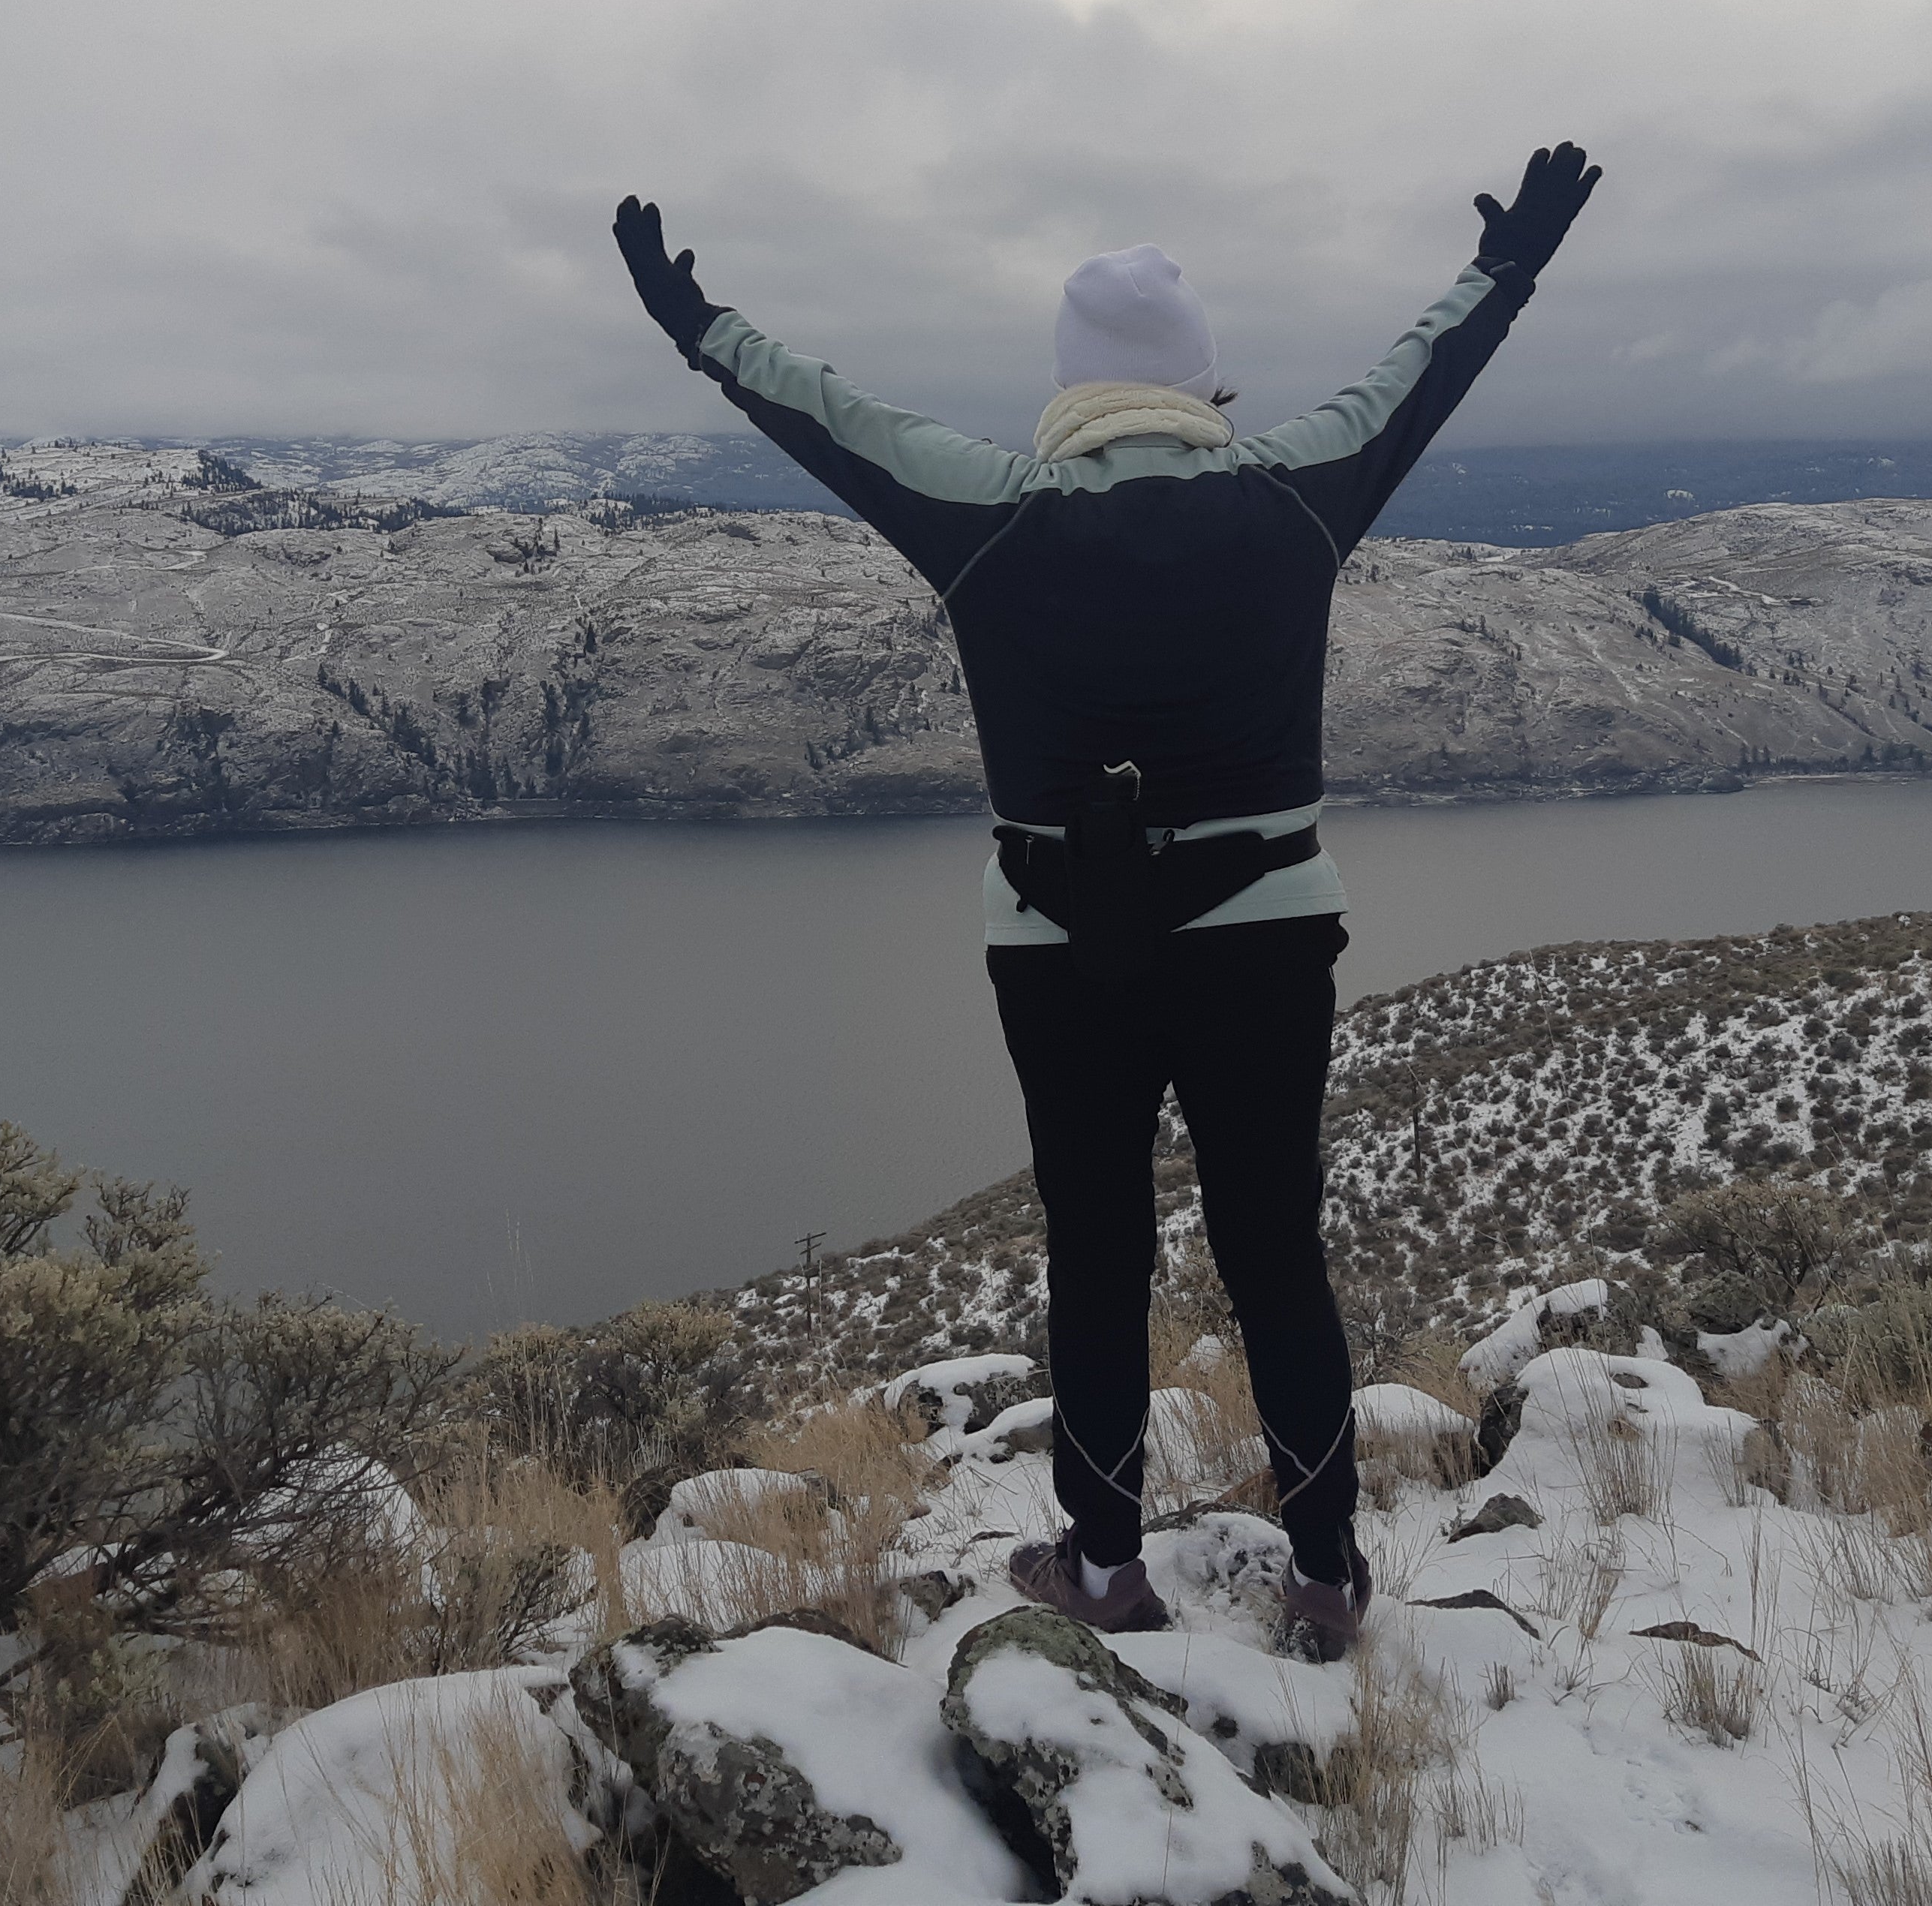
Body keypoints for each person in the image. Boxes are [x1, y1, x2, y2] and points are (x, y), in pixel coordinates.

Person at [609, 144, 1603, 1655]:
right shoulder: (1293, 499)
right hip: (1268, 929)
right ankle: (1327, 1577)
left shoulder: (994, 511)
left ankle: (1102, 1565)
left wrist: (699, 329)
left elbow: (824, 411)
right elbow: (1421, 372)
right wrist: (1506, 267)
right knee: (1274, 1245)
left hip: (1060, 940)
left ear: (1073, 391)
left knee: (1098, 1247)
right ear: (1201, 386)